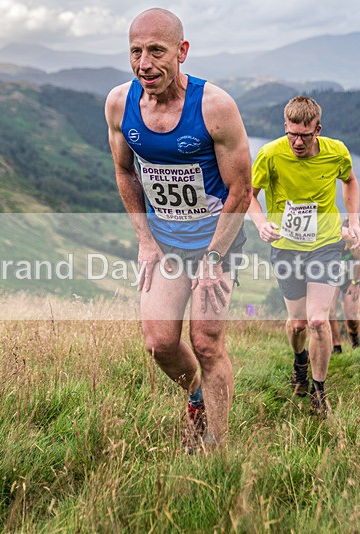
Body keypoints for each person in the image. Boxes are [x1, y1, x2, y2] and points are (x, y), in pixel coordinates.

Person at [104, 8, 252, 452]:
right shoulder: (118, 103)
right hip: (165, 245)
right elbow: (125, 173)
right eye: (135, 52)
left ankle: (214, 445)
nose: (144, 64)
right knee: (160, 342)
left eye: (156, 51)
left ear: (182, 52)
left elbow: (240, 191)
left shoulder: (214, 107)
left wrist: (213, 256)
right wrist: (145, 240)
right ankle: (197, 396)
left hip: (215, 241)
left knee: (206, 343)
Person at [248, 95, 360, 416]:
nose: (298, 142)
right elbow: (249, 195)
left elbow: (350, 181)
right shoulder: (270, 154)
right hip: (286, 248)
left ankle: (318, 391)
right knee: (298, 323)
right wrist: (260, 223)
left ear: (318, 130)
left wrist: (353, 221)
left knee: (317, 320)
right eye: (292, 134)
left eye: (305, 135)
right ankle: (300, 360)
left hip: (326, 245)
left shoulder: (336, 151)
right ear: (285, 127)